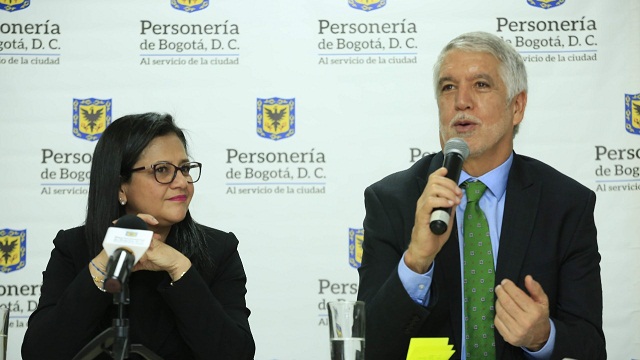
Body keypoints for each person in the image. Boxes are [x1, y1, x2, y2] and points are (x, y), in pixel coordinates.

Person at [356, 32, 605, 359]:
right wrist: (416, 261)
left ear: (517, 106)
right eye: (448, 87)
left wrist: (542, 336)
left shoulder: (565, 204)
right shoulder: (393, 201)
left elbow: (590, 346)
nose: (461, 101)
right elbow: (368, 346)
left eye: (481, 85)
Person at [22, 113, 255, 359]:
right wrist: (104, 265)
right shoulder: (73, 248)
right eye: (162, 170)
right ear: (120, 186)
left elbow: (236, 354)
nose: (182, 182)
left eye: (184, 169)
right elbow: (39, 353)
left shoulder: (218, 249)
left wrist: (180, 269)